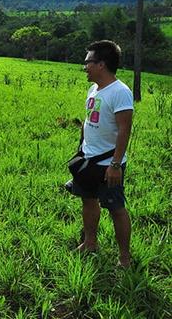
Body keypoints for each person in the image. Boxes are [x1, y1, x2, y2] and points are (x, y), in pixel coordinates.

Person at [68, 40, 134, 268]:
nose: (85, 66)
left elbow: (125, 130)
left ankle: (124, 257)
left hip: (109, 164)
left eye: (88, 62)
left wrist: (115, 164)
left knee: (116, 209)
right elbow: (87, 122)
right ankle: (90, 242)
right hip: (88, 159)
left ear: (102, 64)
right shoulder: (93, 89)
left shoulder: (121, 92)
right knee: (88, 201)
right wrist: (80, 149)